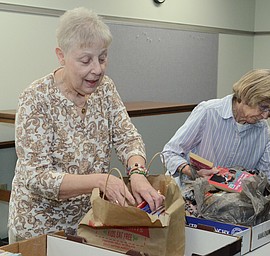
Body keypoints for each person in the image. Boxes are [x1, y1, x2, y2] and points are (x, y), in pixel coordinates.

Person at [8, 7, 164, 243]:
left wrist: (137, 173)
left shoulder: (106, 89)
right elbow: (37, 177)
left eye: (102, 58)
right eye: (85, 60)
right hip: (40, 230)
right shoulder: (36, 98)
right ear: (61, 56)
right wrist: (100, 181)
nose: (97, 69)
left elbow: (127, 137)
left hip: (89, 224)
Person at [162, 69, 270, 209]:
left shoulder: (262, 129)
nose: (265, 116)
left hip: (228, 205)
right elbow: (169, 153)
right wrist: (192, 172)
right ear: (248, 96)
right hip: (189, 200)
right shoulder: (209, 112)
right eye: (263, 107)